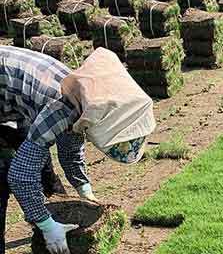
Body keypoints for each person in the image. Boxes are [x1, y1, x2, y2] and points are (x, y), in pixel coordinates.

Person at [1, 46, 155, 254]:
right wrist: (47, 227)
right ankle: (47, 227)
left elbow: (70, 148)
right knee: (5, 174)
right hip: (7, 90)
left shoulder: (86, 97)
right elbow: (21, 176)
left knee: (40, 163)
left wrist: (84, 190)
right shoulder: (59, 110)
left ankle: (54, 219)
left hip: (14, 97)